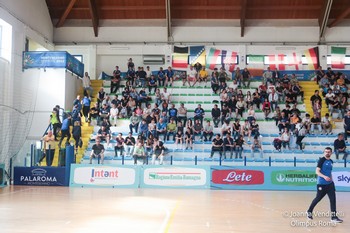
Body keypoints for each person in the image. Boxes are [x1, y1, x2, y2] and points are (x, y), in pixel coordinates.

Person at [306, 147, 343, 223]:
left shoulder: (331, 161)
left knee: (333, 200)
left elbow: (329, 172)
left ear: (331, 153)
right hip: (322, 184)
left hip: (330, 185)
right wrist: (324, 177)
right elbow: (317, 172)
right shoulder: (321, 160)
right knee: (318, 199)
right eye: (326, 152)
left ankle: (333, 217)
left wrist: (332, 182)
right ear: (324, 152)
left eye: (329, 152)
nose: (327, 153)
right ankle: (309, 211)